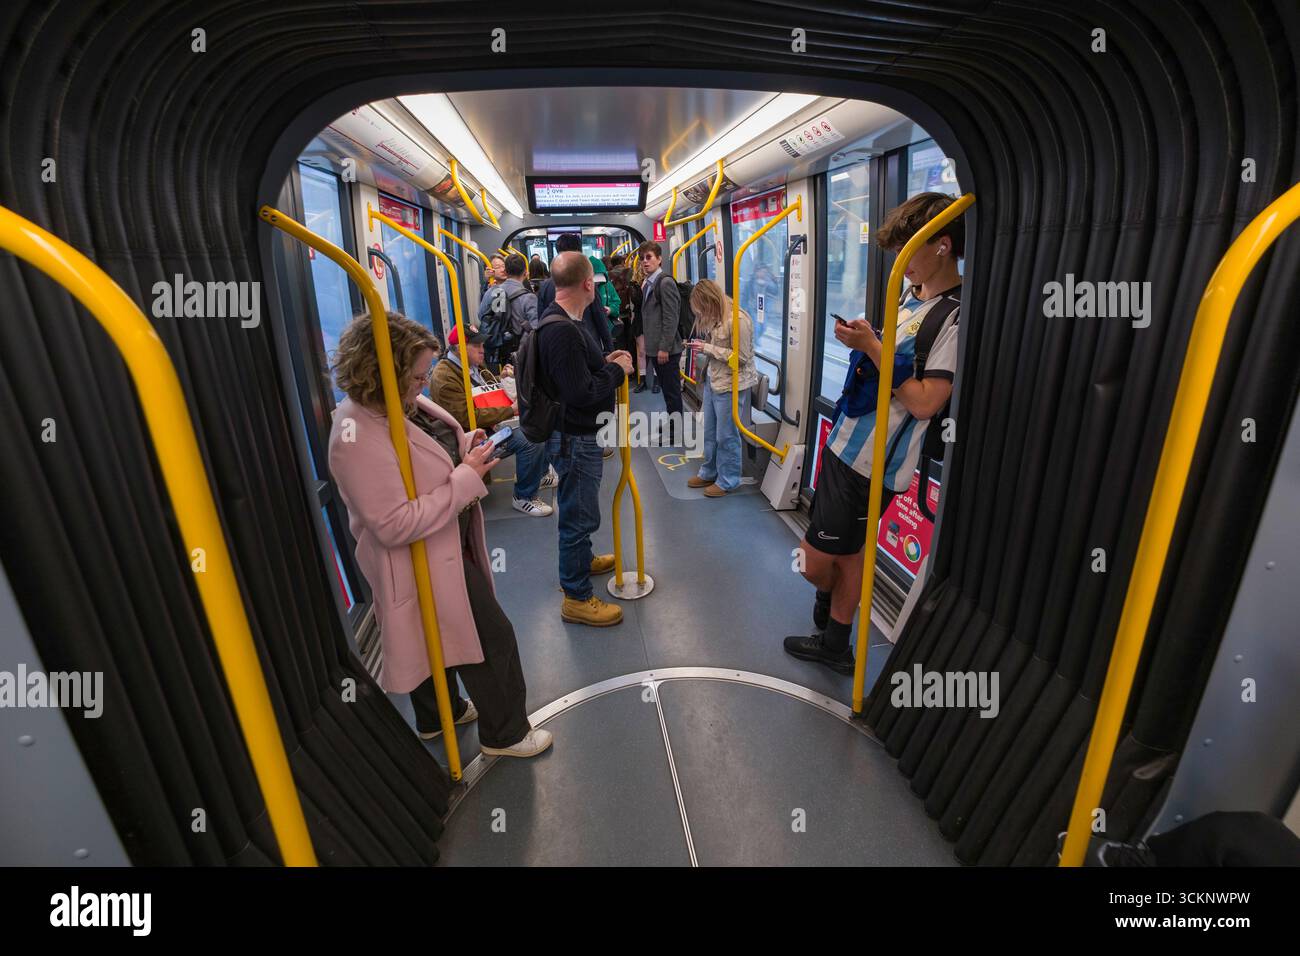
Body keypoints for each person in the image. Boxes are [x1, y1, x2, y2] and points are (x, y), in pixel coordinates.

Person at [328, 310, 551, 758]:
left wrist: (462, 449)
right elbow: (393, 523)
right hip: (422, 554)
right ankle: (504, 735)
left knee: (430, 636)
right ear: (382, 373)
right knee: (492, 637)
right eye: (416, 375)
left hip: (442, 543)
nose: (423, 383)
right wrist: (464, 479)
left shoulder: (394, 407)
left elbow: (420, 462)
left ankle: (439, 716)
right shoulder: (354, 434)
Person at [784, 192, 965, 674]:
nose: (901, 262)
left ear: (942, 246)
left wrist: (873, 347)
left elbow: (927, 400)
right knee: (852, 551)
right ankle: (836, 640)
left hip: (875, 461)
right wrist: (870, 340)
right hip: (846, 442)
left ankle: (830, 614)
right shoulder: (912, 300)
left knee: (816, 561)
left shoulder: (954, 316)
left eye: (910, 250)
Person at [534, 251, 634, 626]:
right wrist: (618, 373)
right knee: (578, 516)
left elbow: (577, 376)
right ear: (588, 284)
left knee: (580, 510)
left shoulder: (565, 322)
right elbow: (582, 393)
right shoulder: (562, 331)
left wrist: (607, 364)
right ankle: (576, 596)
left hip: (576, 434)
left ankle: (583, 560)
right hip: (575, 438)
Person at [430, 321, 554, 516]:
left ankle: (538, 475)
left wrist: (500, 377)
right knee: (530, 437)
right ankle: (524, 497)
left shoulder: (473, 366)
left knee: (541, 419)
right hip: (471, 439)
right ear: (459, 348)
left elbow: (484, 393)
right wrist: (510, 411)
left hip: (491, 427)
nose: (482, 350)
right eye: (476, 345)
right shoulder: (445, 378)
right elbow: (466, 417)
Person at [684, 279, 758, 496]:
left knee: (726, 435)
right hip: (713, 379)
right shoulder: (717, 318)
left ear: (711, 301)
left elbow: (741, 359)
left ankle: (728, 479)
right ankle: (709, 471)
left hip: (731, 384)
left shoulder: (739, 320)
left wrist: (708, 348)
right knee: (709, 431)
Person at [637, 241, 684, 442]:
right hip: (656, 347)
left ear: (659, 259)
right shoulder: (649, 283)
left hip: (667, 350)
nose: (645, 262)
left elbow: (671, 318)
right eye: (642, 259)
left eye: (649, 257)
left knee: (672, 391)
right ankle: (672, 423)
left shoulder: (664, 283)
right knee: (666, 390)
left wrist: (664, 347)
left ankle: (676, 430)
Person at [537, 233, 613, 354]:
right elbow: (600, 319)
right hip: (589, 349)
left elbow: (541, 321)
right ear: (579, 252)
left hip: (556, 348)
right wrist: (610, 350)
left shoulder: (545, 286)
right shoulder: (586, 281)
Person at [477, 252, 537, 366]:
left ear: (506, 271)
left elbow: (481, 315)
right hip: (521, 354)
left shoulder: (492, 291)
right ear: (525, 272)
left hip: (497, 351)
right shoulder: (529, 297)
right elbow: (535, 329)